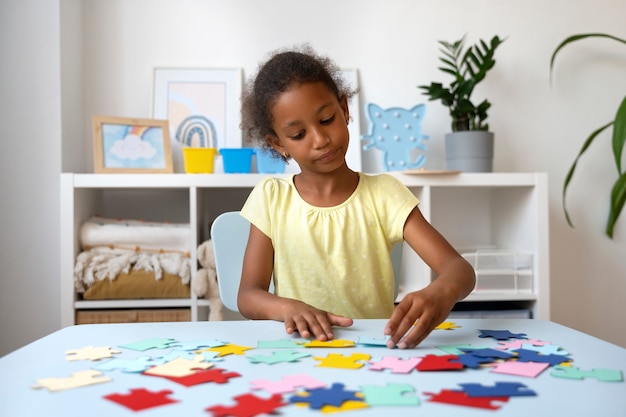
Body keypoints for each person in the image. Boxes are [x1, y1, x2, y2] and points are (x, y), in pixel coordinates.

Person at [237, 44, 475, 349]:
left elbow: (460, 270)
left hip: (376, 352)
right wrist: (287, 308)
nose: (321, 140)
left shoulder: (383, 194)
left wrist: (442, 291)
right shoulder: (271, 198)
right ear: (278, 143)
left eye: (326, 120)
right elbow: (247, 295)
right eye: (298, 135)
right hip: (301, 352)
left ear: (344, 109)